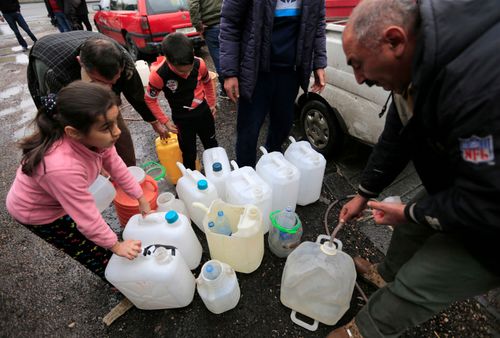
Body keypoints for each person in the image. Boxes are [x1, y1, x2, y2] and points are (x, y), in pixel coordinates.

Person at [327, 0, 500, 337]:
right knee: (409, 228)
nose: (359, 79)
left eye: (359, 65)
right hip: (469, 184)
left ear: (394, 41)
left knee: (418, 284)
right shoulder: (418, 58)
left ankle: (364, 330)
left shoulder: (478, 93)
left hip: (492, 217)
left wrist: (411, 212)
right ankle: (385, 273)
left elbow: (485, 204)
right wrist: (365, 193)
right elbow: (399, 132)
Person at [6, 81, 150, 279]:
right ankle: (117, 280)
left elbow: (116, 166)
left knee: (98, 236)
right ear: (73, 132)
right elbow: (86, 216)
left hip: (60, 197)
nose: (117, 131)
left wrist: (140, 198)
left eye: (116, 121)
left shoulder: (96, 140)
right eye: (107, 127)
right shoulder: (61, 167)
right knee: (89, 250)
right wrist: (116, 246)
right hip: (37, 212)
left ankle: (116, 263)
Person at [27, 31, 166, 167]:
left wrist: (154, 122)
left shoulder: (123, 58)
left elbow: (136, 94)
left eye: (114, 82)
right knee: (82, 136)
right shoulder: (54, 74)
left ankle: (129, 168)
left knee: (118, 130)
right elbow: (59, 116)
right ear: (80, 63)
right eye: (100, 82)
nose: (109, 89)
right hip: (48, 55)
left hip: (83, 55)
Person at [219, 0, 327, 167]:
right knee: (248, 131)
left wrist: (319, 63)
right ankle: (246, 174)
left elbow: (318, 23)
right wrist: (230, 72)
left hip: (290, 72)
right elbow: (230, 23)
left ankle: (271, 163)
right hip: (255, 72)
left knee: (282, 124)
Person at [145, 33, 218, 170]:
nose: (187, 74)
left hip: (203, 111)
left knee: (212, 145)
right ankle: (191, 180)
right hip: (182, 119)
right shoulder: (159, 75)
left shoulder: (199, 63)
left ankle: (217, 174)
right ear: (169, 60)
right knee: (188, 152)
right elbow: (150, 99)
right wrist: (165, 121)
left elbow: (208, 82)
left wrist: (212, 103)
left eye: (189, 69)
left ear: (192, 53)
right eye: (181, 71)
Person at [188, 0, 226, 97]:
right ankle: (240, 86)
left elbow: (193, 5)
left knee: (219, 60)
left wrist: (198, 26)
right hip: (227, 22)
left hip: (211, 26)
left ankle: (226, 90)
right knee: (234, 54)